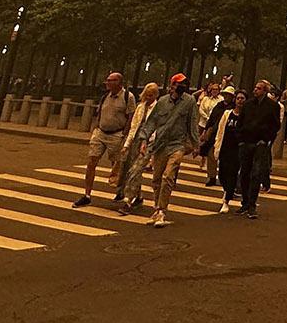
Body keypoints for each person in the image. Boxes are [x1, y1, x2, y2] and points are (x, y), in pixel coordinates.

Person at [134, 73, 201, 228]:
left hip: (178, 144)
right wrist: (144, 139)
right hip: (160, 145)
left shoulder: (189, 101)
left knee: (168, 176)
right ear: (172, 86)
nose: (182, 86)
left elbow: (192, 123)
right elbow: (151, 122)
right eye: (179, 84)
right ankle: (156, 208)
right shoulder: (163, 102)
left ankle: (162, 210)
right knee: (156, 179)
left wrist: (196, 144)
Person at [74, 72, 133, 208]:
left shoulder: (127, 97)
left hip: (116, 134)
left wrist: (125, 134)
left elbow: (131, 116)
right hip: (101, 133)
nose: (108, 83)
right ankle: (87, 195)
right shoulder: (105, 96)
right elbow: (99, 113)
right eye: (107, 80)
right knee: (91, 162)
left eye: (111, 80)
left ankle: (122, 191)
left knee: (118, 165)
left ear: (119, 83)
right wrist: (96, 128)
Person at [111, 82, 162, 212]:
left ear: (156, 95)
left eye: (151, 95)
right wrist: (127, 144)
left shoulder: (159, 108)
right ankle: (138, 197)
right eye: (147, 95)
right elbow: (134, 126)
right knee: (131, 169)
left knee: (136, 170)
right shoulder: (140, 107)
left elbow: (158, 128)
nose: (148, 97)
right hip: (136, 141)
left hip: (149, 142)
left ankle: (128, 200)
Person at [236, 79, 282, 219]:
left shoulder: (272, 106)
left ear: (265, 91)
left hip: (260, 144)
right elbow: (241, 121)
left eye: (259, 88)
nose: (255, 90)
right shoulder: (248, 104)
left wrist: (266, 139)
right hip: (246, 141)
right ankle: (244, 202)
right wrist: (241, 139)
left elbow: (276, 125)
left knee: (256, 174)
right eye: (255, 88)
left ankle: (252, 204)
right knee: (244, 173)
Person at [209, 87, 245, 213]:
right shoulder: (227, 114)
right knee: (223, 174)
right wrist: (216, 146)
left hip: (237, 150)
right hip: (225, 147)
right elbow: (220, 130)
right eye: (238, 98)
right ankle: (227, 189)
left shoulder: (245, 116)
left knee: (232, 174)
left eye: (242, 99)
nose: (240, 101)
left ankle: (226, 199)